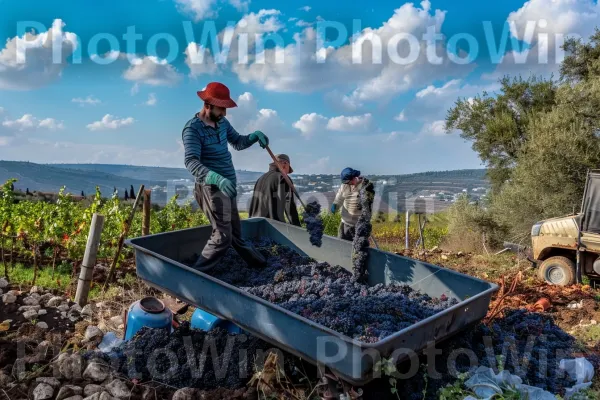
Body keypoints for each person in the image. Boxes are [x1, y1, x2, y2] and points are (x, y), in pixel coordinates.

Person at [182, 82, 270, 271]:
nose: (224, 113)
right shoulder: (192, 130)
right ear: (207, 105)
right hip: (212, 188)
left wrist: (253, 137)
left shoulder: (222, 123)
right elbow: (191, 162)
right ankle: (196, 275)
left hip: (228, 185)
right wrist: (216, 178)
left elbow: (237, 142)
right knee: (223, 235)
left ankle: (260, 265)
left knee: (236, 232)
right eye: (221, 108)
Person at [248, 154, 301, 226]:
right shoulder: (283, 178)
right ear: (285, 164)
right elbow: (290, 207)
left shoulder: (260, 179)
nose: (287, 173)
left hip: (253, 225)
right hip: (272, 227)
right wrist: (298, 229)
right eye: (288, 170)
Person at [330, 167, 375, 241]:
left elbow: (370, 200)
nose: (348, 184)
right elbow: (339, 198)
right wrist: (335, 205)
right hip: (345, 223)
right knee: (341, 245)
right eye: (346, 183)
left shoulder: (366, 185)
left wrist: (364, 201)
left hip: (360, 225)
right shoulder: (345, 186)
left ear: (354, 178)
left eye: (349, 182)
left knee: (359, 247)